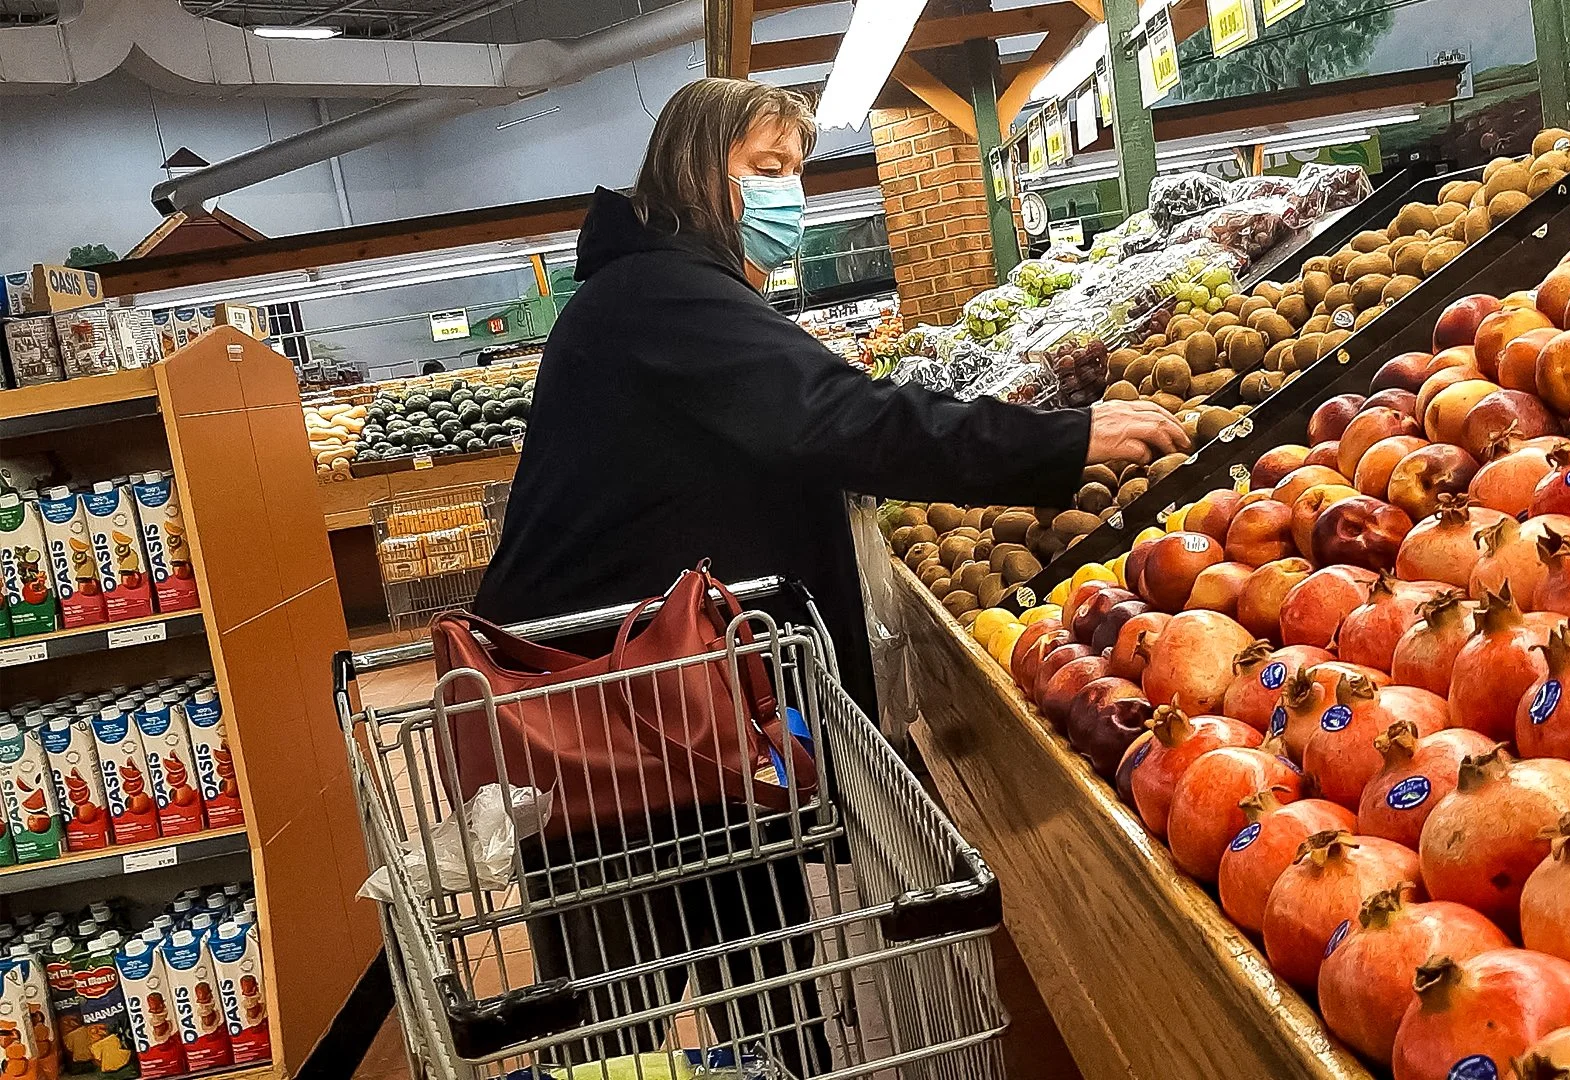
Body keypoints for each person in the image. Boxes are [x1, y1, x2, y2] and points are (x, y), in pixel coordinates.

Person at [470, 77, 1186, 1071]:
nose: (790, 194)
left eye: (797, 170)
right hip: (615, 728)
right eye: (768, 170)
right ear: (697, 170)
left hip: (691, 723)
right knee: (624, 1015)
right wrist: (1058, 442)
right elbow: (843, 419)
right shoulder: (661, 299)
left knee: (756, 978)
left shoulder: (660, 295)